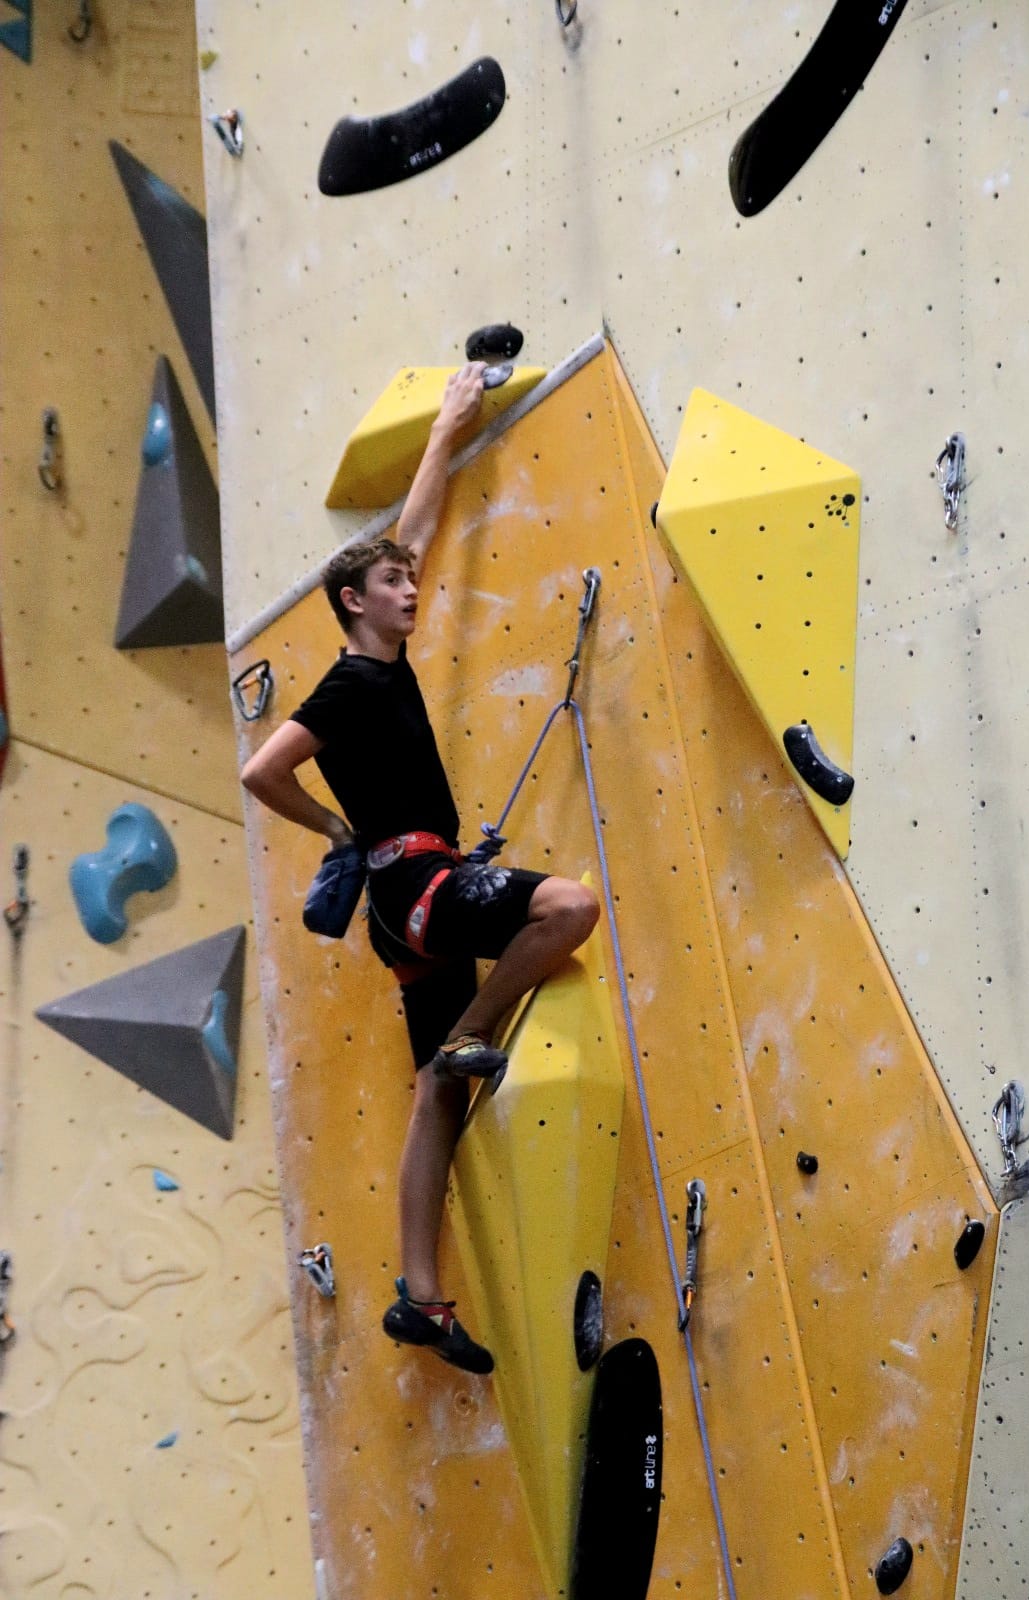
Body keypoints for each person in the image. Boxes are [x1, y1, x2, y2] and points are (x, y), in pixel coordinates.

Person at [241, 363, 599, 1375]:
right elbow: (262, 769)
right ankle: (470, 1034)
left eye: (411, 581)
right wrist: (335, 831)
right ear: (353, 602)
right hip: (414, 887)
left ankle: (421, 1298)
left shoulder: (381, 663)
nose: (414, 590)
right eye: (395, 585)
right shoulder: (351, 682)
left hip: (410, 907)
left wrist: (448, 425)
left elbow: (417, 530)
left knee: (435, 1101)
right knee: (569, 906)